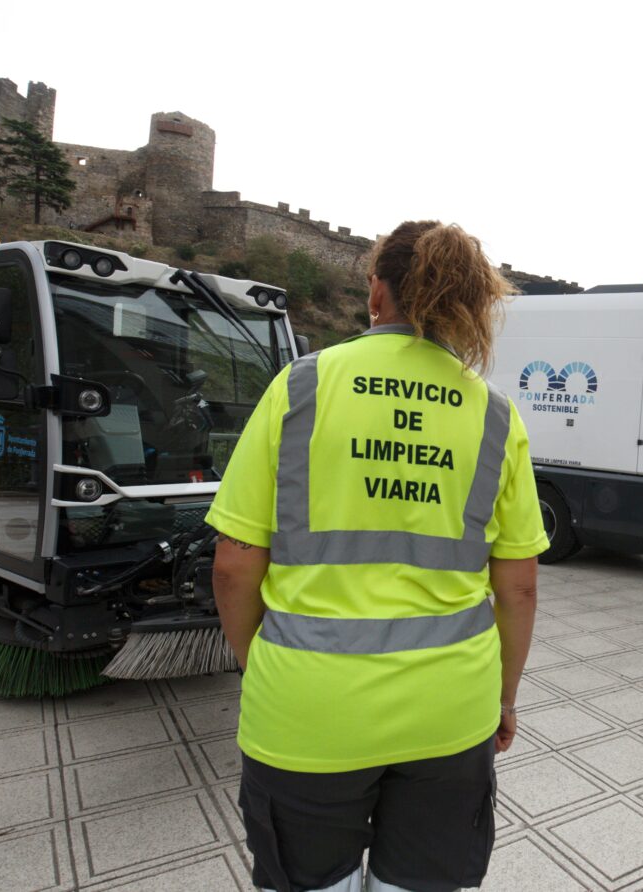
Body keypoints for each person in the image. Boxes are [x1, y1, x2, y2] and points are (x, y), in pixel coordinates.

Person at [206, 220, 549, 892]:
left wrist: (264, 664)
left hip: (307, 706)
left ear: (376, 292)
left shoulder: (300, 388)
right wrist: (504, 700)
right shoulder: (496, 416)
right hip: (450, 712)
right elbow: (520, 590)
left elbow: (233, 565)